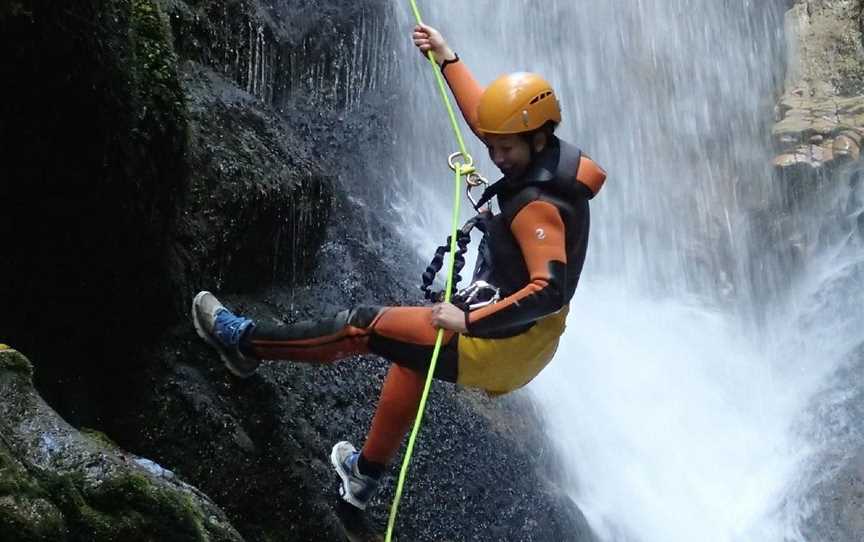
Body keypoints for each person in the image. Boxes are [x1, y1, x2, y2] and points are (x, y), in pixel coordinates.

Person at [192, 23, 606, 513]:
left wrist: (467, 321)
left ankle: (243, 344)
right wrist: (448, 59)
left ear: (537, 138)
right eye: (491, 146)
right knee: (409, 357)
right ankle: (363, 479)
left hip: (503, 342)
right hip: (527, 338)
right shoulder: (542, 157)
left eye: (504, 150)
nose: (494, 156)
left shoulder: (539, 205)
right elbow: (485, 120)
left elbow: (549, 289)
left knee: (362, 326)